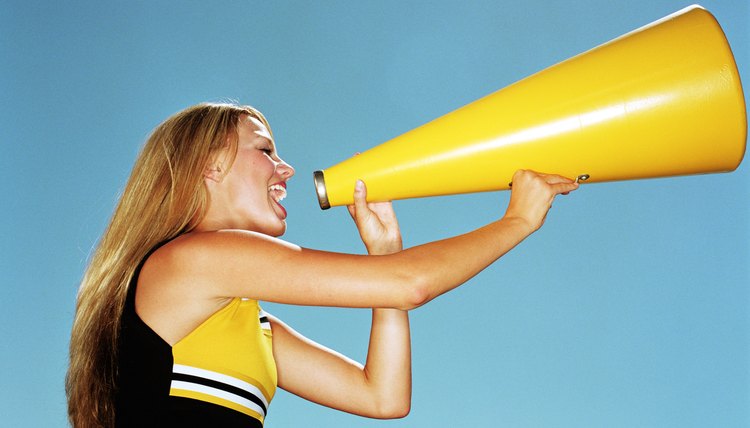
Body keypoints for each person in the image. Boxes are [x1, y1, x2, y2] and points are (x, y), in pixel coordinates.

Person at [66, 102, 578, 427]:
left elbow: (383, 396)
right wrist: (517, 221)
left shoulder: (241, 317)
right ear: (210, 163)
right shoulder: (194, 259)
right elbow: (411, 285)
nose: (285, 167)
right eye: (266, 149)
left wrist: (383, 256)